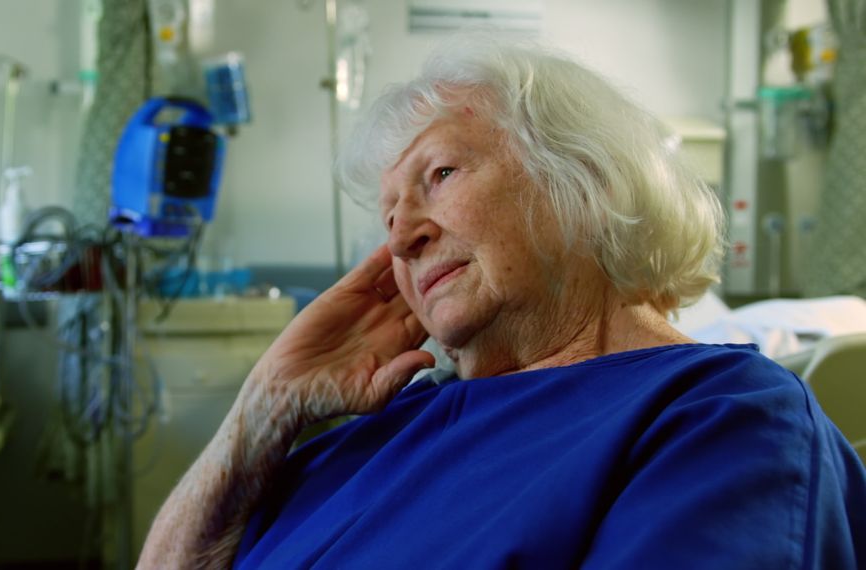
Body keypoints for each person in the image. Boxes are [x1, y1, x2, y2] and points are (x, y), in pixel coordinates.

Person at [138, 34, 866, 569]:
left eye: (442, 174)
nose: (404, 235)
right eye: (388, 214)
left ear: (587, 185)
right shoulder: (378, 429)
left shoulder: (718, 420)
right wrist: (261, 411)